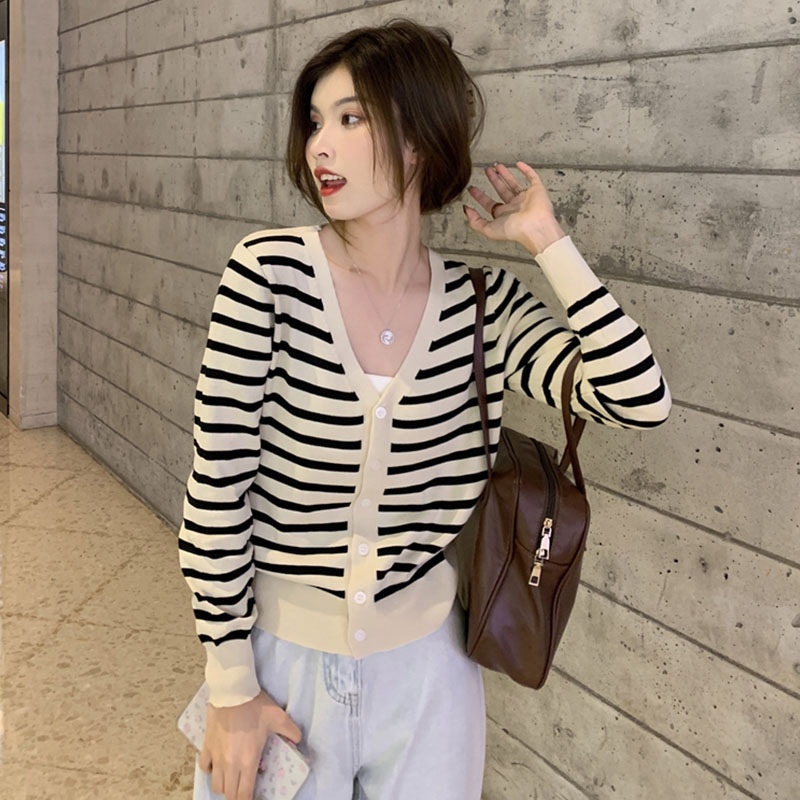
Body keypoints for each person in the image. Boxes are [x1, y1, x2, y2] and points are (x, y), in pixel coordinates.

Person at [179, 18, 671, 800]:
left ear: (418, 140)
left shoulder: (485, 307)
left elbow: (638, 398)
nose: (320, 146)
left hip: (431, 683)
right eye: (315, 122)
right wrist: (232, 685)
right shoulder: (269, 275)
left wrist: (546, 239)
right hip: (281, 669)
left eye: (351, 118)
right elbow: (216, 491)